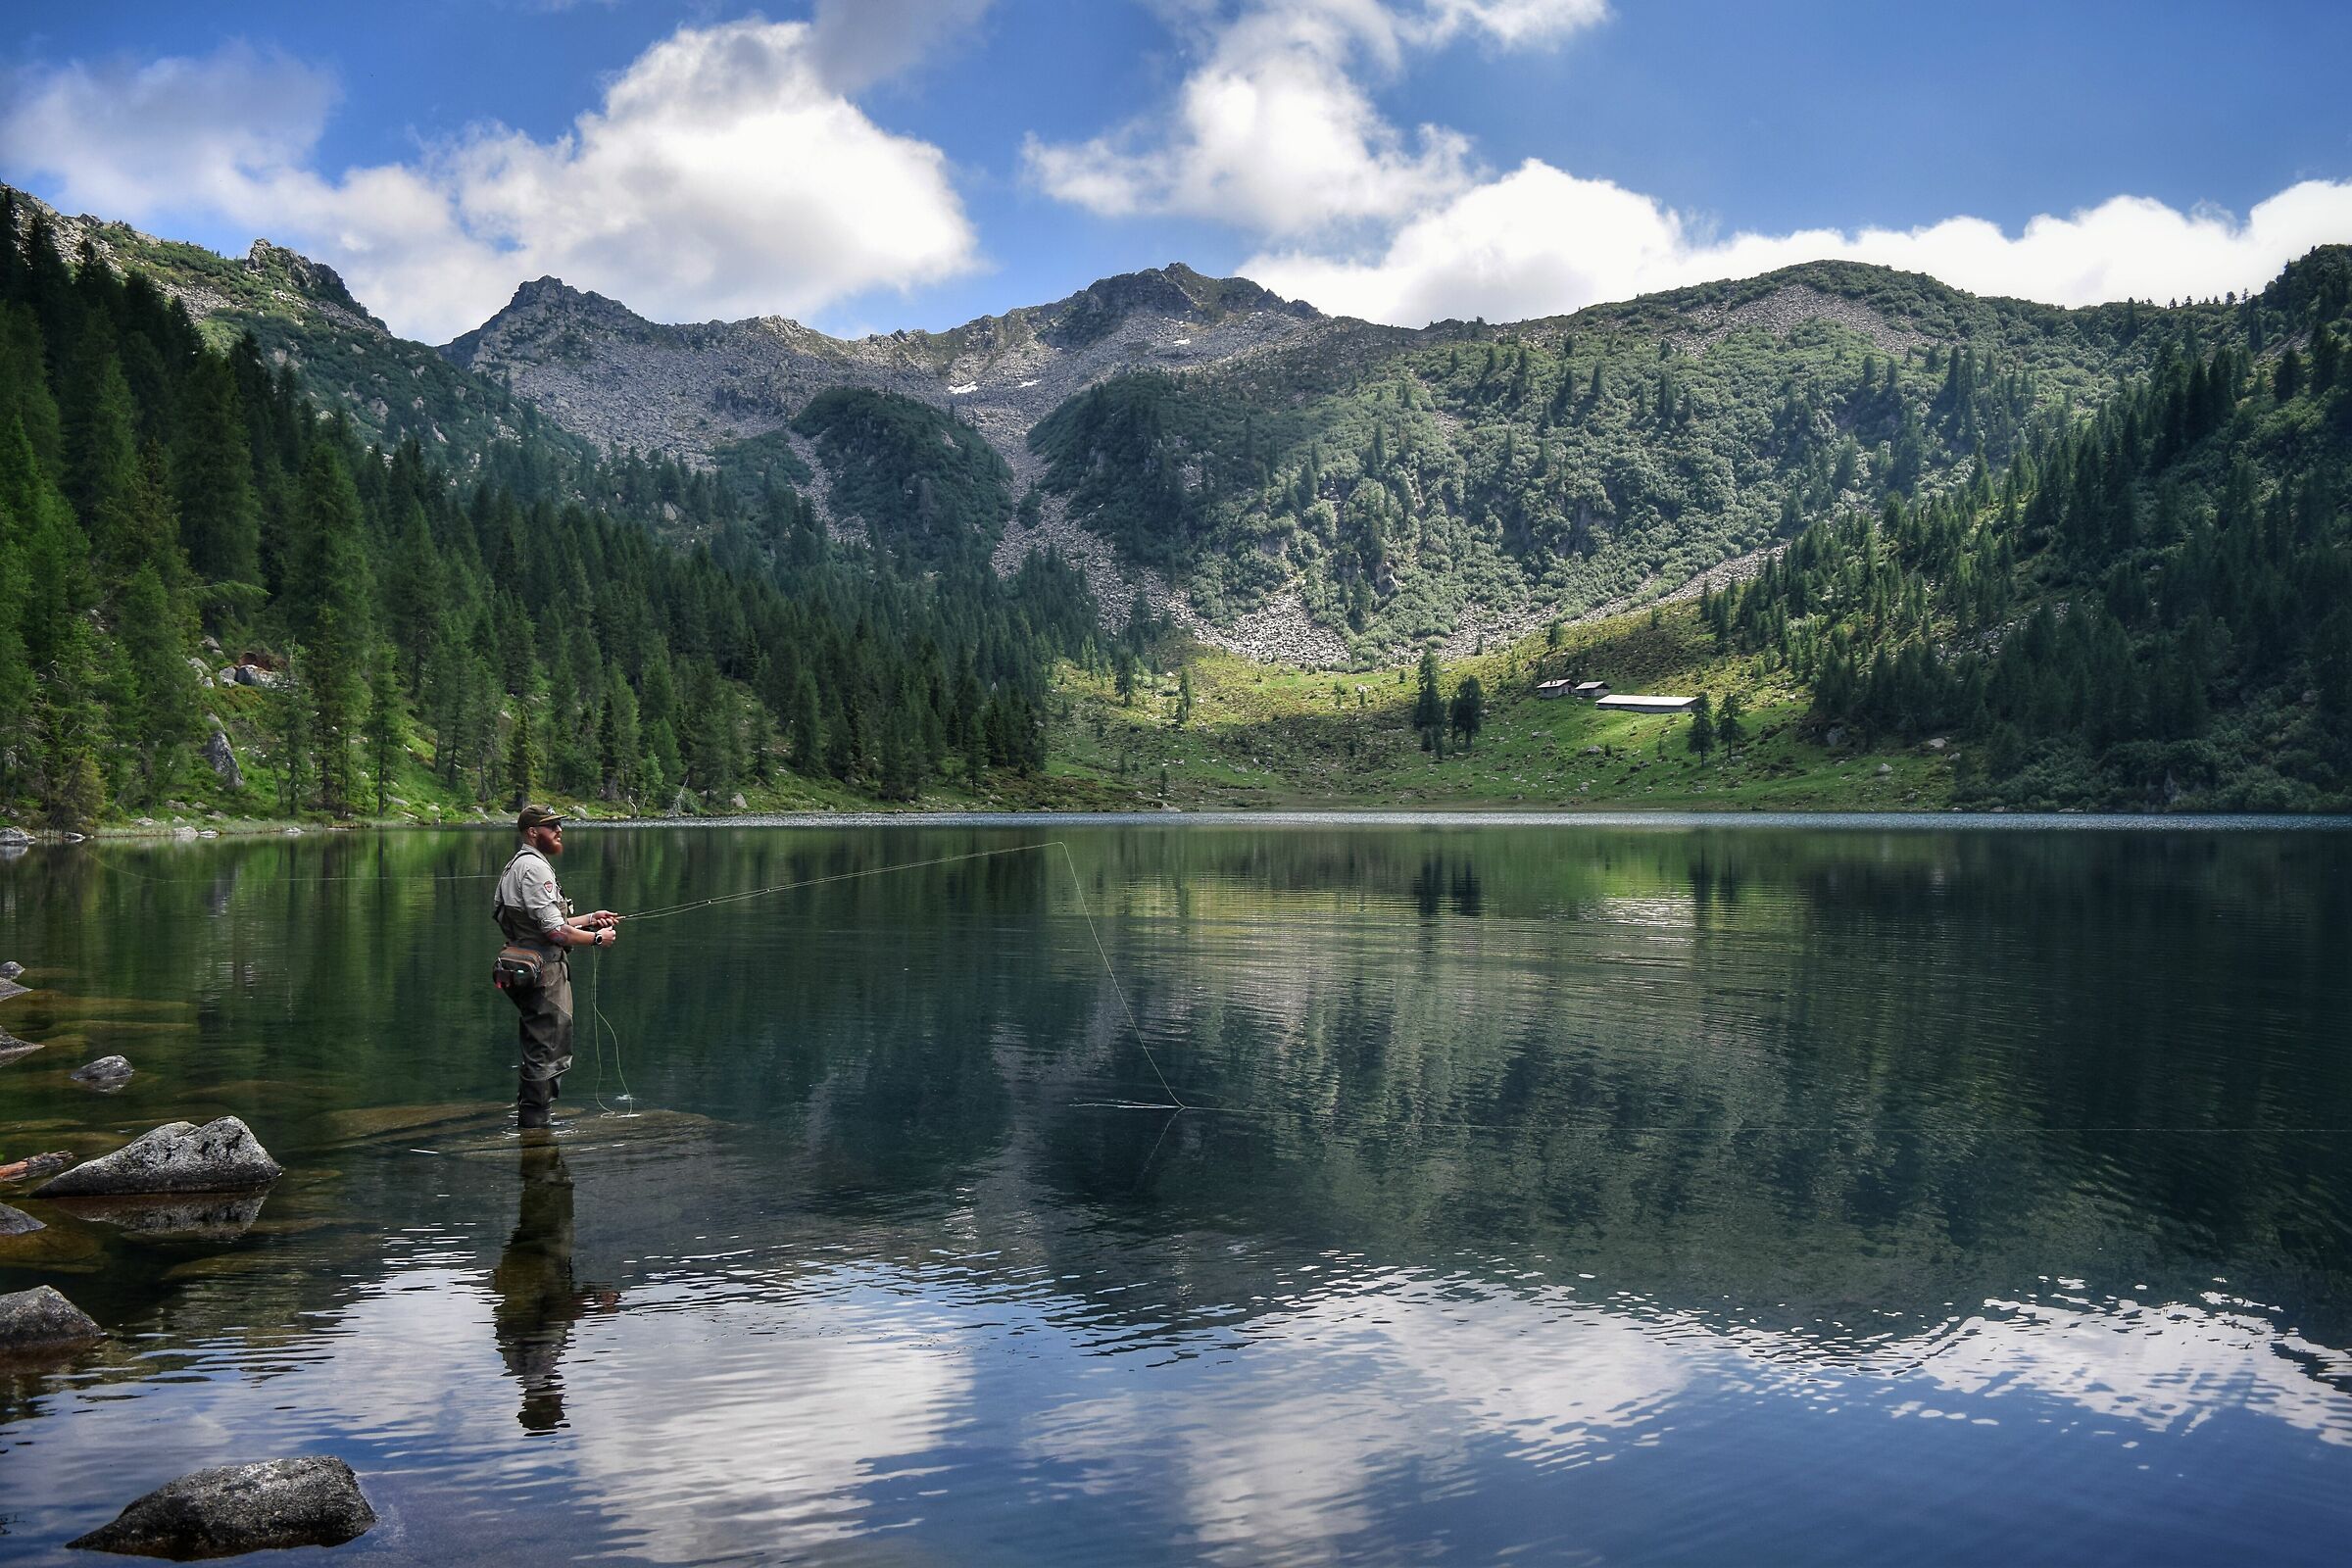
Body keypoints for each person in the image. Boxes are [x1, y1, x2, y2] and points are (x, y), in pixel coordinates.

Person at [494, 805, 620, 1129]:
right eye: (552, 826)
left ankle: (533, 1120)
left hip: (526, 965)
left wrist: (590, 919)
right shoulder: (535, 869)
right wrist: (597, 939)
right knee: (547, 1050)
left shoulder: (517, 865)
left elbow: (541, 924)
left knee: (540, 1045)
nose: (559, 830)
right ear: (532, 832)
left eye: (559, 825)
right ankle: (536, 1124)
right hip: (544, 973)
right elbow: (555, 933)